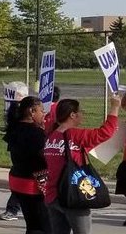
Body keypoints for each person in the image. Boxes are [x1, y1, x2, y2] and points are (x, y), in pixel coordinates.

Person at [43, 95, 121, 234]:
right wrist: (115, 107)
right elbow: (104, 133)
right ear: (72, 115)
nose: (82, 114)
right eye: (80, 111)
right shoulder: (75, 135)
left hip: (52, 196)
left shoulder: (51, 136)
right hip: (73, 195)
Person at [4, 96, 51, 234]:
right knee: (44, 225)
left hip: (17, 180)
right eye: (41, 111)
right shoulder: (35, 133)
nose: (44, 114)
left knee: (31, 222)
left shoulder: (15, 128)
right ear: (32, 111)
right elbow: (44, 157)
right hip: (33, 183)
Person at [0, 81, 30, 221]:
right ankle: (14, 208)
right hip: (16, 145)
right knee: (19, 178)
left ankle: (12, 209)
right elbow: (10, 123)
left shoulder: (30, 109)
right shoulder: (14, 111)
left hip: (27, 148)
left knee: (21, 179)